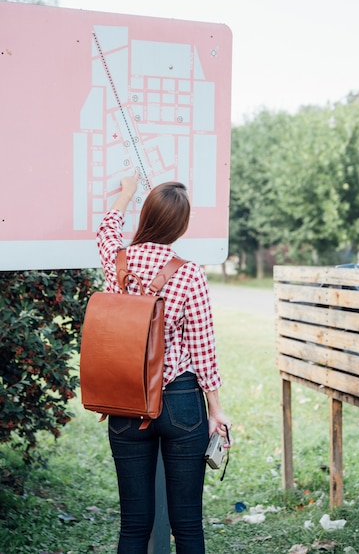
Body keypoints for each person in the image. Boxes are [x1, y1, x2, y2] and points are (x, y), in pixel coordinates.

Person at [96, 170, 232, 554]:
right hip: (181, 403)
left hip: (125, 403)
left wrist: (126, 193)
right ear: (181, 226)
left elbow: (106, 231)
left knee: (133, 526)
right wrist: (216, 410)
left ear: (147, 217)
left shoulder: (116, 262)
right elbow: (204, 350)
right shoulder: (189, 274)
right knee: (187, 524)